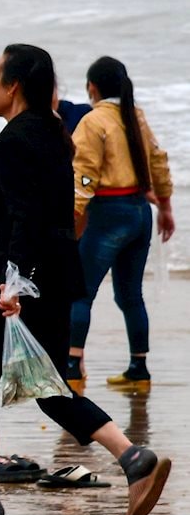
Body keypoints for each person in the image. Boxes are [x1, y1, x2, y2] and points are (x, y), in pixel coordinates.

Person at [0, 44, 168, 515]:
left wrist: (14, 284)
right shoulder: (55, 134)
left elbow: (25, 219)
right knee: (51, 387)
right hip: (56, 280)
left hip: (18, 290)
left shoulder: (17, 140)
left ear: (13, 86)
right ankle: (133, 458)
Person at [67, 55, 173, 393]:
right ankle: (138, 370)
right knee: (130, 296)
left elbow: (84, 174)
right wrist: (167, 206)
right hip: (140, 212)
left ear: (92, 88)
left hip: (108, 213)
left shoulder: (93, 120)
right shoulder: (136, 116)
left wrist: (70, 217)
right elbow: (159, 159)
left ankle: (72, 368)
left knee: (80, 293)